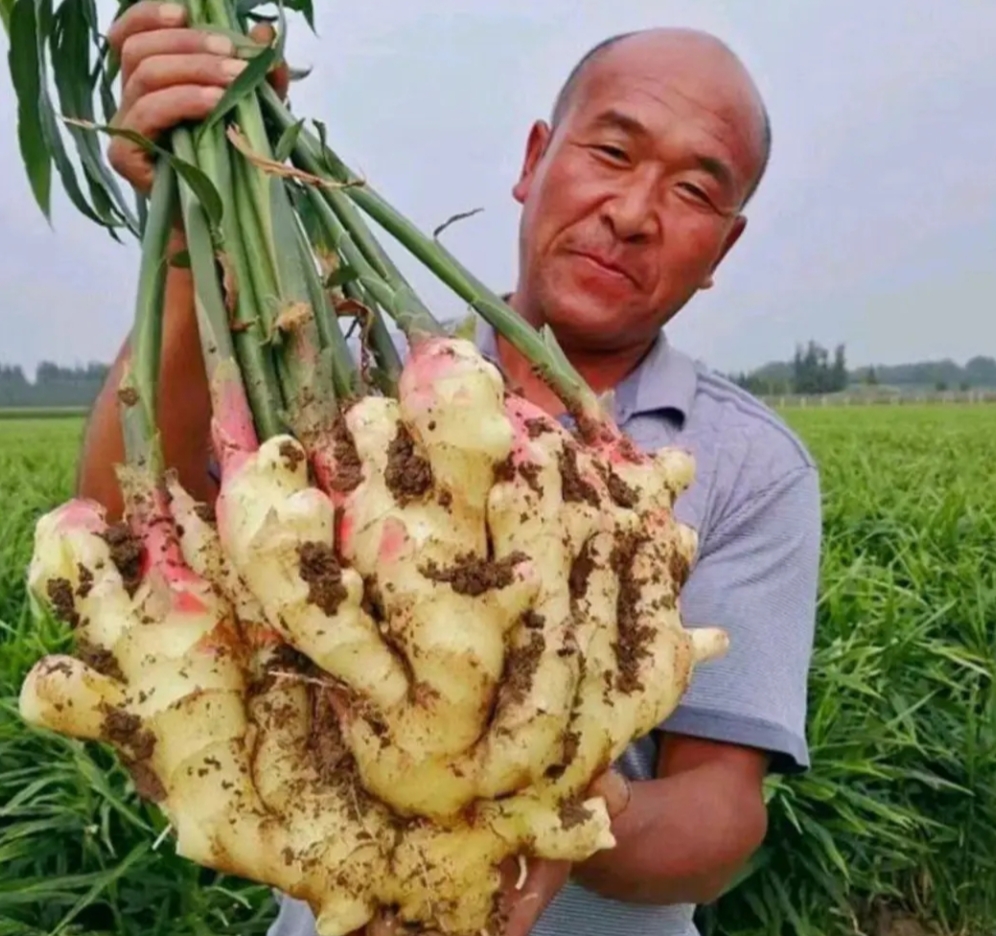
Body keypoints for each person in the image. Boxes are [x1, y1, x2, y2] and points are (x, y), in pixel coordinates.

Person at [80, 5, 822, 936]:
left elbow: (722, 819)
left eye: (693, 192)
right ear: (534, 159)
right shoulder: (334, 373)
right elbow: (126, 546)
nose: (632, 214)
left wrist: (551, 800)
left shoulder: (752, 464)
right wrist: (195, 219)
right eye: (613, 152)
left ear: (726, 246)